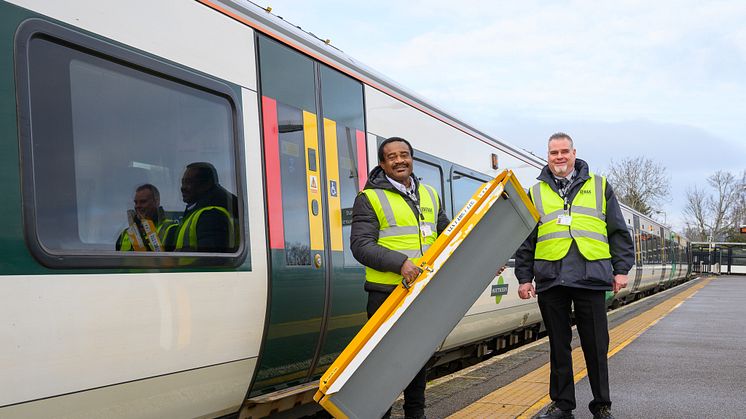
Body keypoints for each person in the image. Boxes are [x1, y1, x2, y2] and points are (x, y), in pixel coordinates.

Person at [515, 133, 634, 419]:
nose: (559, 157)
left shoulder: (599, 186)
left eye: (564, 151)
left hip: (590, 277)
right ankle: (563, 404)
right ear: (548, 156)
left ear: (574, 153)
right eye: (554, 152)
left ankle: (601, 404)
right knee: (558, 345)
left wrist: (621, 269)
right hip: (551, 278)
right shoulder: (536, 192)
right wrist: (523, 277)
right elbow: (526, 239)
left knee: (596, 345)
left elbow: (617, 231)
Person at [350, 137, 450, 419]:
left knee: (418, 359)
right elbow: (360, 245)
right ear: (382, 164)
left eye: (403, 155)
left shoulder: (430, 194)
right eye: (391, 157)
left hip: (421, 293)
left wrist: (484, 260)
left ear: (411, 158)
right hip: (386, 294)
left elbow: (449, 238)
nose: (399, 160)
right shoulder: (369, 198)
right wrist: (401, 264)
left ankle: (415, 414)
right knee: (384, 364)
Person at [174, 162, 239, 252]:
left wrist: (180, 255)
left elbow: (209, 260)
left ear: (206, 185)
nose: (182, 187)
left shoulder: (212, 215)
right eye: (183, 182)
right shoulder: (198, 210)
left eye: (189, 182)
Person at [116, 183, 178, 251]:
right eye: (136, 202)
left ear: (156, 202)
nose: (137, 206)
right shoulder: (125, 234)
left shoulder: (172, 229)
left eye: (143, 202)